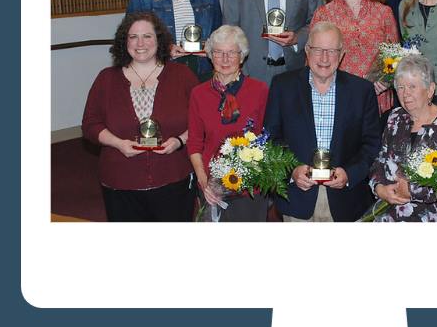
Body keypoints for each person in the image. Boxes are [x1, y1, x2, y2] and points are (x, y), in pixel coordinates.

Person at [82, 12, 199, 221]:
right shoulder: (106, 79)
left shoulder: (183, 76)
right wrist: (118, 143)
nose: (140, 43)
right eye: (133, 37)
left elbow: (201, 122)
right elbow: (90, 125)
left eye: (147, 36)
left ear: (159, 40)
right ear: (124, 41)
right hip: (121, 183)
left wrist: (180, 141)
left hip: (173, 179)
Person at [264, 22, 381, 222]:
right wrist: (291, 170)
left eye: (332, 51)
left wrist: (349, 174)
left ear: (342, 54)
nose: (324, 58)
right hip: (297, 200)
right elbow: (270, 140)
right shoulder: (283, 86)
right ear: (307, 51)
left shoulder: (362, 91)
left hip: (347, 201)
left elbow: (372, 145)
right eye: (318, 50)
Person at [369, 55, 437, 222]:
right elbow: (380, 159)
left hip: (436, 214)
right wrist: (379, 188)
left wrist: (412, 190)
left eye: (412, 86)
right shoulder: (395, 117)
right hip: (393, 210)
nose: (405, 93)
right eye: (400, 87)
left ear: (430, 90)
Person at [187, 25, 270, 222]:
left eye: (231, 53)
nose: (225, 59)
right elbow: (195, 143)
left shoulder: (259, 90)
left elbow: (267, 139)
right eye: (218, 53)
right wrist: (204, 182)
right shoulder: (198, 94)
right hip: (211, 185)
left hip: (250, 186)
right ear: (210, 56)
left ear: (242, 57)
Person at [310, 0, 399, 115]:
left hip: (377, 101)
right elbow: (313, 59)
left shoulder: (384, 13)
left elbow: (394, 57)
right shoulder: (324, 14)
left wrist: (386, 80)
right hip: (337, 100)